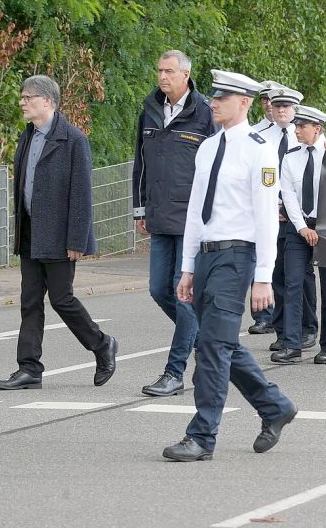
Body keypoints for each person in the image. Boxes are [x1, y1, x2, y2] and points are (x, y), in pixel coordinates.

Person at [163, 69, 297, 462]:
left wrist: (263, 277)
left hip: (238, 256)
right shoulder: (207, 147)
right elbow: (194, 213)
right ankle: (275, 406)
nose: (213, 103)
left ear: (244, 103)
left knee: (211, 348)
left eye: (222, 98)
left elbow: (267, 217)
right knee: (218, 342)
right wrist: (187, 266)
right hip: (206, 255)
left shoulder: (259, 149)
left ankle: (202, 435)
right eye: (213, 97)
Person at [0, 74, 119, 391]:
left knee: (62, 300)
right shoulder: (28, 136)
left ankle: (102, 345)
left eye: (27, 97)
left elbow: (81, 194)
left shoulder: (73, 139)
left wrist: (77, 239)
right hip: (31, 233)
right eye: (22, 97)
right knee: (30, 301)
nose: (22, 102)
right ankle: (29, 368)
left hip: (61, 237)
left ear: (47, 101)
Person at [132, 50, 216, 397]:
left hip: (192, 220)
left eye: (169, 71)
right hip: (158, 215)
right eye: (159, 70)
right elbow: (140, 162)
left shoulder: (205, 113)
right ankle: (201, 337)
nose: (162, 76)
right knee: (158, 289)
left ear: (186, 75)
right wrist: (140, 210)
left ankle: (174, 372)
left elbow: (216, 170)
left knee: (184, 297)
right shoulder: (150, 110)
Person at [271, 105, 326, 365]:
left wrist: (320, 228)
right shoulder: (291, 157)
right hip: (299, 225)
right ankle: (292, 344)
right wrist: (302, 227)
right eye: (296, 125)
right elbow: (288, 195)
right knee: (293, 284)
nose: (297, 130)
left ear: (318, 129)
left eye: (302, 126)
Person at [255, 86, 304, 349]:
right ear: (271, 109)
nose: (282, 110)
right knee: (275, 275)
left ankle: (304, 329)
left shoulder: (303, 135)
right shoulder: (259, 136)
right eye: (277, 106)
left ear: (294, 110)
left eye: (287, 107)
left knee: (298, 277)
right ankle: (282, 331)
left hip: (299, 217)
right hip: (270, 214)